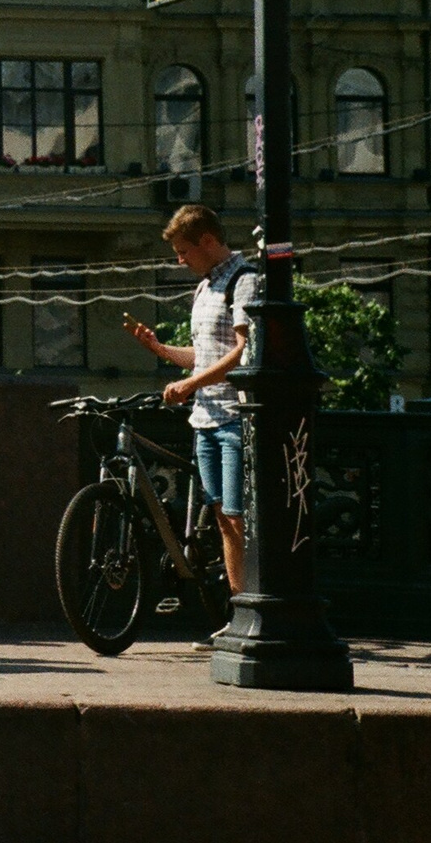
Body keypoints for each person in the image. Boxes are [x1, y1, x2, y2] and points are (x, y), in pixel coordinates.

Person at [123, 204, 261, 619]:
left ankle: (246, 614)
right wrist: (160, 350)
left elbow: (243, 353)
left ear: (208, 241)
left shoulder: (244, 280)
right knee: (222, 517)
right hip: (204, 419)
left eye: (184, 251)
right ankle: (235, 612)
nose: (180, 261)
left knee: (236, 518)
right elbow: (204, 356)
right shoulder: (204, 288)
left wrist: (191, 385)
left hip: (235, 418)